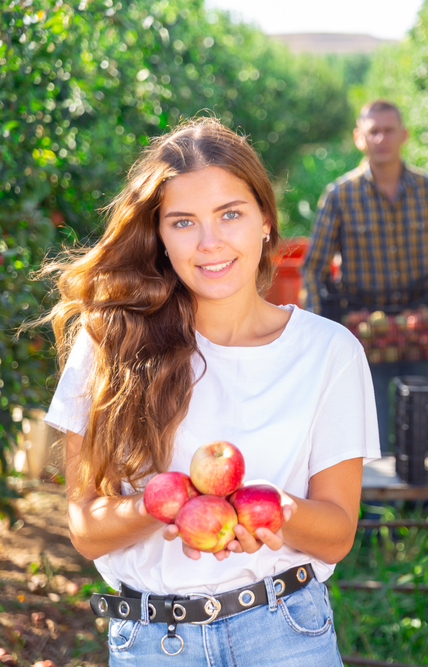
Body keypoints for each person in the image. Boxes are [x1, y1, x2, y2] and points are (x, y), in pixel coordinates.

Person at [41, 117, 379, 665]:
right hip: (155, 641)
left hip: (284, 632)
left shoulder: (328, 352)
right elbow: (85, 528)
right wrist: (161, 506)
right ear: (159, 238)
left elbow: (338, 533)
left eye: (230, 214)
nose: (210, 242)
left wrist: (274, 509)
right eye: (183, 222)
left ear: (265, 221)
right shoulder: (111, 343)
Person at [301, 99, 428, 455]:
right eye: (373, 131)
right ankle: (378, 504)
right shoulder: (341, 195)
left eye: (389, 130)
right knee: (369, 420)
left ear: (404, 135)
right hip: (366, 325)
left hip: (423, 320)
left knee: (427, 414)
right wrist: (323, 332)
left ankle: (425, 499)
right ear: (359, 138)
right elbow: (313, 268)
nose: (382, 138)